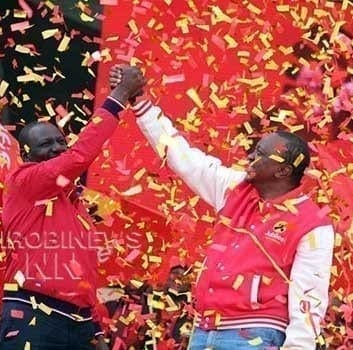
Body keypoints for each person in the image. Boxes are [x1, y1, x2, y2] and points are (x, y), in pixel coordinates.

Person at [110, 65, 335, 349]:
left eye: (261, 154)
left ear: (283, 172)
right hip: (205, 329)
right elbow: (183, 157)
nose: (251, 155)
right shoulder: (234, 188)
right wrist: (141, 103)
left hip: (257, 334)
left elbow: (310, 297)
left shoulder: (312, 223)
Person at [0, 66, 146, 350]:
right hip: (32, 316)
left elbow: (82, 275)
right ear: (27, 154)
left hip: (78, 324)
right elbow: (80, 156)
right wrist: (120, 95)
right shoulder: (24, 180)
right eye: (45, 144)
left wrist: (97, 329)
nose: (56, 148)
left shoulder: (77, 206)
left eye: (60, 142)